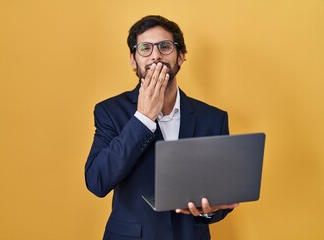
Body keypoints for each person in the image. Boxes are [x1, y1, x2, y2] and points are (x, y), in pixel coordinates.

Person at [85, 15, 239, 240]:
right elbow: (97, 181)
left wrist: (209, 212)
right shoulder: (110, 111)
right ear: (133, 60)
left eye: (165, 47)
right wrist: (143, 119)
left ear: (181, 57)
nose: (155, 55)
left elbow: (220, 194)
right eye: (145, 48)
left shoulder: (213, 119)